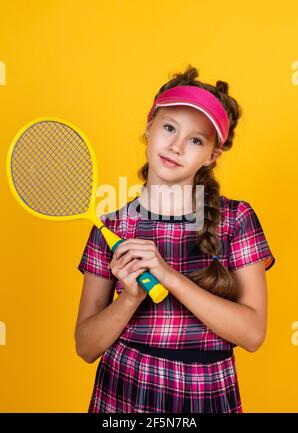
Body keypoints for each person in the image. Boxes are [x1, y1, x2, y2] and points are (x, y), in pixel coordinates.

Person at [75, 65, 275, 413]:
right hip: (124, 393)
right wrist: (130, 298)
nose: (176, 146)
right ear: (149, 127)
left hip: (206, 394)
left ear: (212, 155)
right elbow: (85, 346)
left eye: (196, 140)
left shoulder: (236, 219)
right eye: (169, 128)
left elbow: (253, 335)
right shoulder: (109, 227)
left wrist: (168, 275)